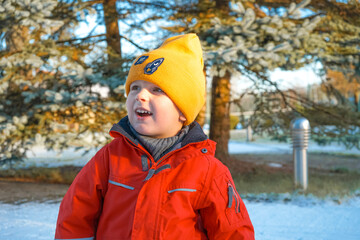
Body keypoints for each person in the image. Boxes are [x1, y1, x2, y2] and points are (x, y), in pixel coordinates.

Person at [55, 33, 254, 240]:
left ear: (183, 111)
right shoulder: (110, 158)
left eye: (157, 90)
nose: (141, 95)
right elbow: (75, 217)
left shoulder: (208, 171)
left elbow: (233, 231)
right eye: (135, 88)